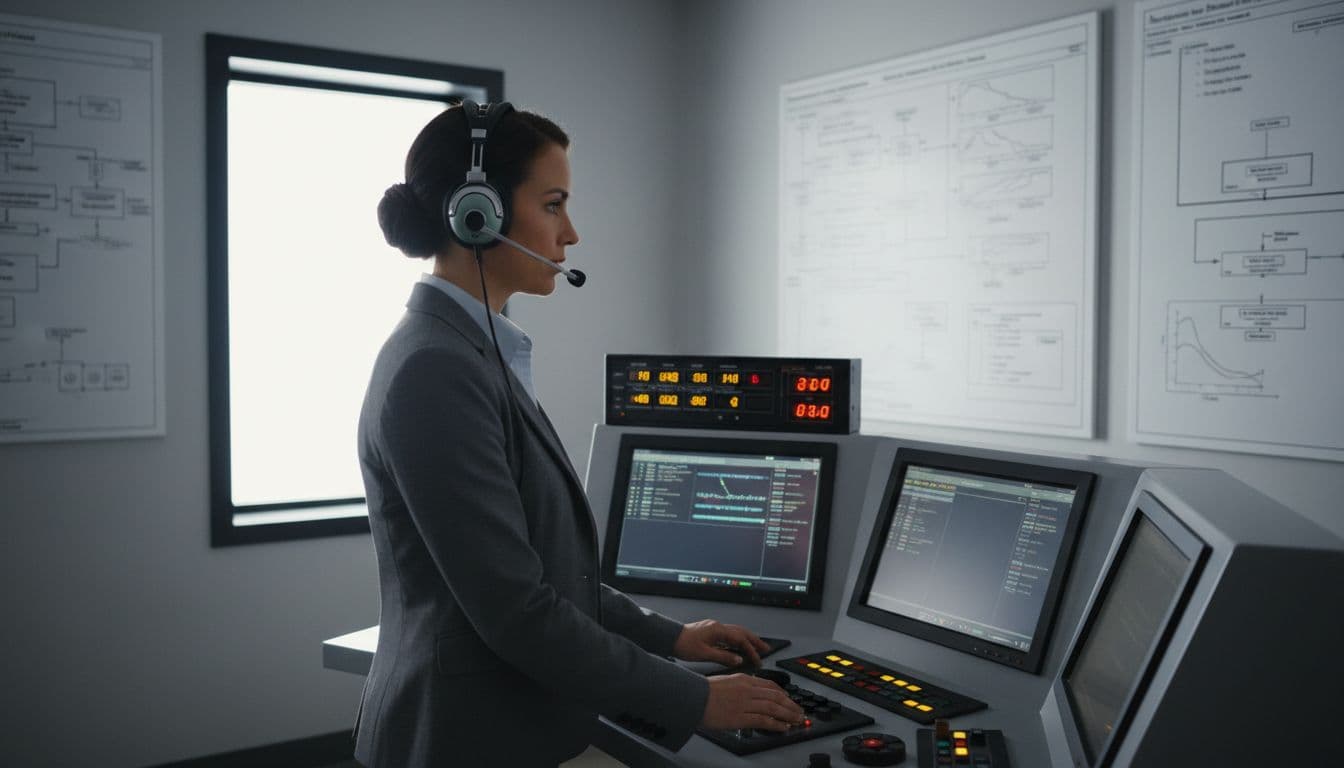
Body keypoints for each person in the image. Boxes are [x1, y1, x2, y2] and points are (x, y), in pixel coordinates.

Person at [355, 101, 804, 767]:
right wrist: (695, 698)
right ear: (478, 214)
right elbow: (517, 609)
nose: (571, 234)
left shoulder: (473, 355)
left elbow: (546, 570)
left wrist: (670, 637)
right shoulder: (434, 371)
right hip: (456, 739)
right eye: (554, 204)